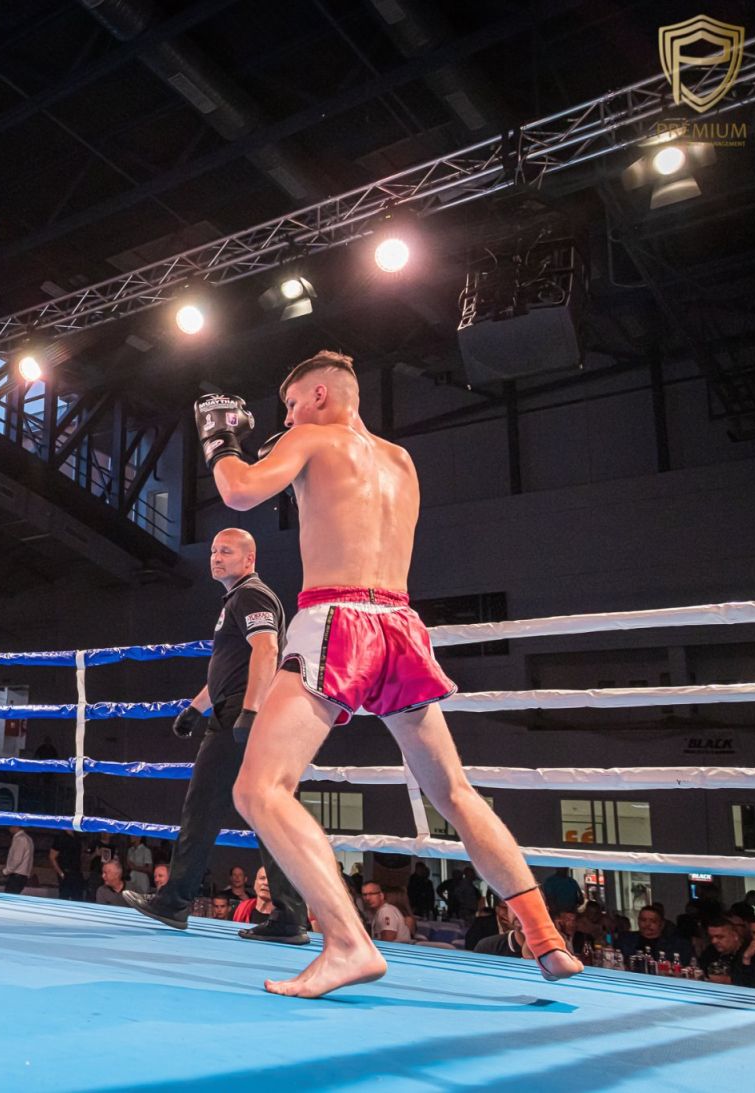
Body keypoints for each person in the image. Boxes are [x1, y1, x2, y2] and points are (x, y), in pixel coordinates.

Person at [210, 350, 580, 996]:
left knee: (259, 789)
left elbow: (238, 492)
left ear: (320, 395)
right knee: (455, 793)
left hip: (337, 619)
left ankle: (348, 943)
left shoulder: (313, 436)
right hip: (401, 626)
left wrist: (220, 443)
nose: (287, 418)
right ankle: (546, 939)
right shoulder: (401, 460)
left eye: (292, 404)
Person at [124, 528, 308, 945]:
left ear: (249, 558)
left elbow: (266, 650)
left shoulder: (251, 595)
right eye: (212, 551)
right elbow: (231, 669)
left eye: (226, 551)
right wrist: (195, 708)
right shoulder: (237, 599)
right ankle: (290, 916)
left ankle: (174, 900)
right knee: (267, 811)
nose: (215, 557)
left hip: (244, 713)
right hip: (240, 709)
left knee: (204, 806)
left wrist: (250, 711)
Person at [616, 904, 695, 966]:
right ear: (638, 921)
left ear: (662, 924)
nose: (647, 924)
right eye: (643, 920)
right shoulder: (625, 939)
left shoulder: (678, 944)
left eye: (653, 921)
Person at [49, 828, 87, 901]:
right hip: (66, 872)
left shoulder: (77, 837)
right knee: (64, 896)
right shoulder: (60, 837)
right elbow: (52, 857)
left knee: (78, 897)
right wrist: (61, 873)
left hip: (77, 871)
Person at [3, 824, 34, 894]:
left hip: (17, 876)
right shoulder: (28, 838)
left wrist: (6, 871)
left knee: (9, 898)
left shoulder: (20, 839)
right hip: (22, 875)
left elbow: (17, 859)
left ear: (16, 826)